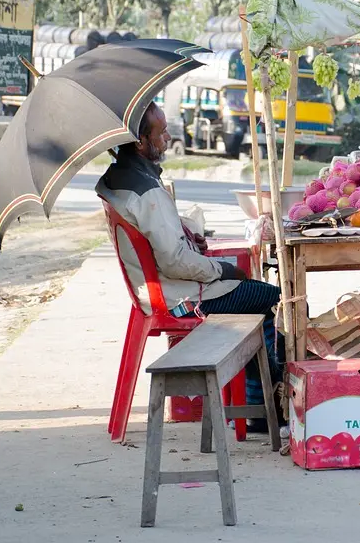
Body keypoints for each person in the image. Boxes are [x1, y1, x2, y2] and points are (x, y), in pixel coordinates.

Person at [96, 102, 285, 431]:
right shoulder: (147, 191)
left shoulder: (122, 176)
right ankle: (266, 407)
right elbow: (175, 261)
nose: (168, 138)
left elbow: (161, 238)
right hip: (178, 298)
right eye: (162, 132)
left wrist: (184, 233)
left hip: (157, 287)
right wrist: (223, 271)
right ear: (140, 142)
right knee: (277, 299)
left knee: (256, 296)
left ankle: (257, 405)